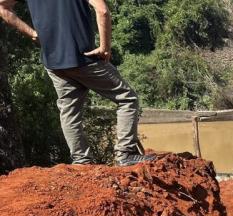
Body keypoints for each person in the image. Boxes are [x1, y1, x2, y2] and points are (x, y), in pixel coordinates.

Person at [0, 0, 154, 166]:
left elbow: (2, 6)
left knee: (69, 112)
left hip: (53, 62)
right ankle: (125, 154)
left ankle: (81, 160)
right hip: (84, 59)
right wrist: (105, 47)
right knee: (127, 98)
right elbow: (103, 11)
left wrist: (33, 34)